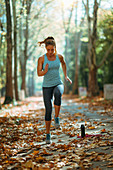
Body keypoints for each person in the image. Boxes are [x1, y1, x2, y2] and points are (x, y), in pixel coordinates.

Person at [37, 36, 72, 144]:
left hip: (58, 83)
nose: (50, 52)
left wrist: (66, 76)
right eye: (48, 50)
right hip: (46, 86)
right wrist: (45, 70)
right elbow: (39, 73)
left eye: (52, 50)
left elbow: (64, 64)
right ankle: (48, 134)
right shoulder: (42, 59)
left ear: (55, 48)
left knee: (58, 93)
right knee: (48, 110)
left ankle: (56, 117)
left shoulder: (59, 57)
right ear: (46, 49)